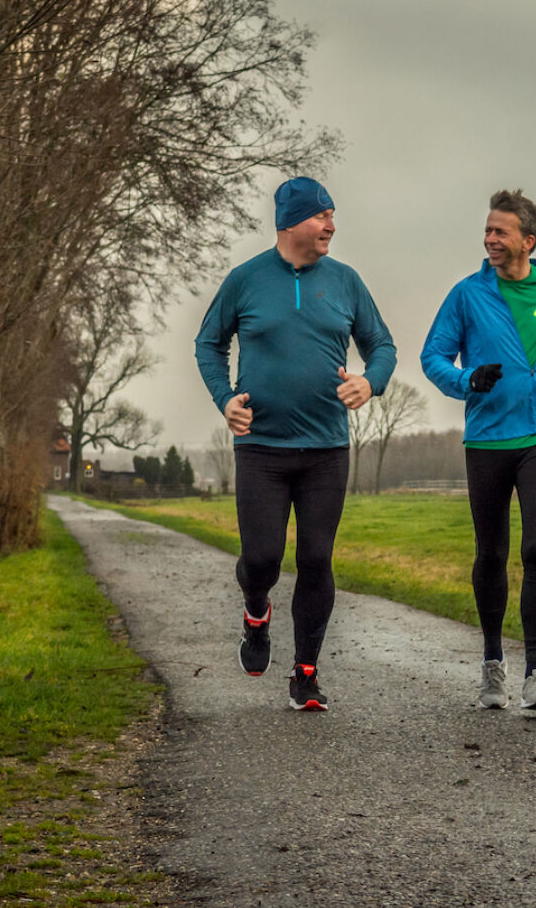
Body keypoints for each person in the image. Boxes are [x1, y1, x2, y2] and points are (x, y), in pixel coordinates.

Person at [195, 177, 397, 711]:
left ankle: (306, 673)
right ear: (290, 223)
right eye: (321, 216)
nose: (331, 225)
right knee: (262, 559)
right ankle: (255, 611)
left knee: (316, 558)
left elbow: (381, 345)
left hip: (326, 449)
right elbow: (209, 344)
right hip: (261, 448)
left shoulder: (346, 281)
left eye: (332, 216)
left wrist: (370, 382)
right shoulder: (246, 280)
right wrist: (224, 399)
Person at [420, 189, 536, 712]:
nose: (489, 239)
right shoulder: (468, 295)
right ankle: (493, 663)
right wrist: (468, 379)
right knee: (490, 552)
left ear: (528, 240)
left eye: (500, 232)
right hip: (488, 436)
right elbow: (433, 357)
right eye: (487, 230)